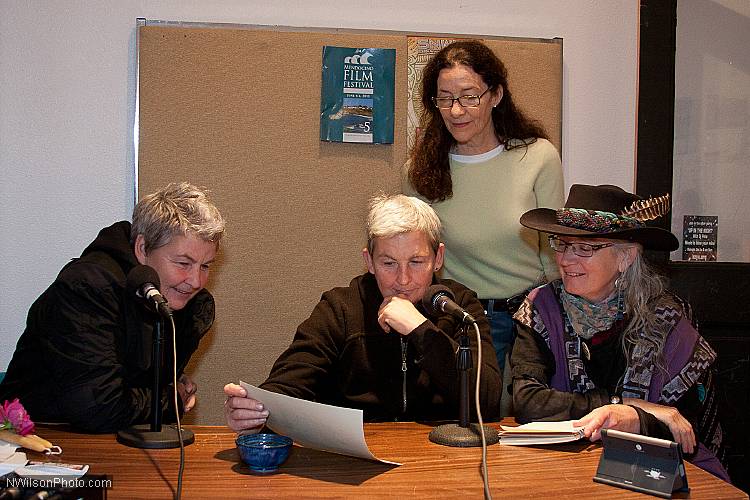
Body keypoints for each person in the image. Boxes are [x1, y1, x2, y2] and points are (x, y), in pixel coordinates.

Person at [224, 194, 500, 433]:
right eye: (389, 263)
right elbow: (292, 381)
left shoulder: (459, 306)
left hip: (440, 452)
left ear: (438, 258)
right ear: (369, 261)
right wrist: (255, 409)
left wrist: (421, 329)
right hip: (357, 452)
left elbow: (486, 402)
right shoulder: (341, 307)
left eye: (416, 262)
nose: (403, 279)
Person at [510, 184, 729, 480]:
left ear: (625, 258)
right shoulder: (541, 308)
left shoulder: (668, 319)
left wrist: (636, 421)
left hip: (656, 475)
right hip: (564, 472)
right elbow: (528, 402)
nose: (564, 259)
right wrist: (624, 406)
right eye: (561, 243)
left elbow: (687, 428)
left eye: (585, 248)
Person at [0, 182, 225, 433]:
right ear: (142, 248)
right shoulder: (87, 288)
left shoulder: (189, 304)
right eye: (184, 263)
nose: (196, 281)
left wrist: (170, 390)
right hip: (35, 443)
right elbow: (98, 407)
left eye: (206, 266)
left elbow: (147, 387)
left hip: (121, 440)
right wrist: (171, 401)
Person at [404, 39, 564, 375]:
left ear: (496, 95)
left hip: (525, 319)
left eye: (469, 96)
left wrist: (561, 323)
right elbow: (413, 256)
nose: (456, 110)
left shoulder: (537, 156)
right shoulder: (420, 169)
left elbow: (555, 252)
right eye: (445, 99)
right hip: (456, 318)